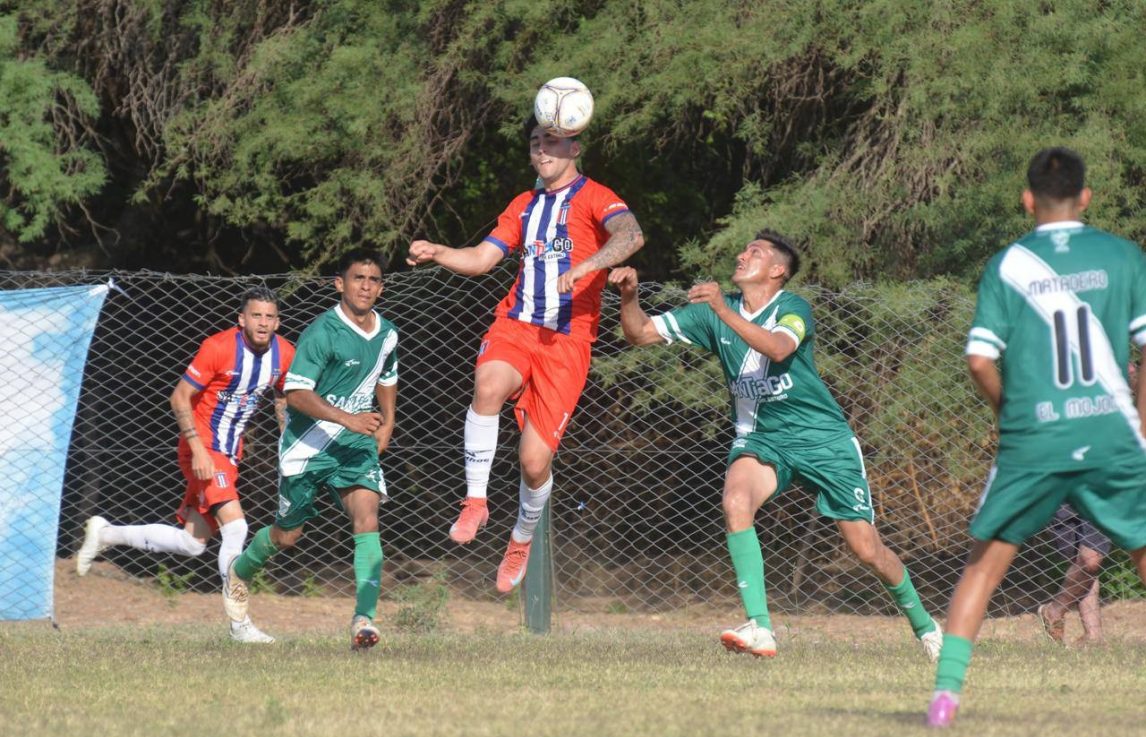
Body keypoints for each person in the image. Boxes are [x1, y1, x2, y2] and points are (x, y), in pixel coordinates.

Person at [608, 232, 943, 660]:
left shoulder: (793, 307)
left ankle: (927, 628)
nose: (742, 254)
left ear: (777, 270)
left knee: (866, 549)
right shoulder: (717, 310)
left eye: (755, 252)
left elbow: (779, 348)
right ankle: (761, 628)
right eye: (744, 249)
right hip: (762, 438)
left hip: (823, 440)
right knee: (735, 501)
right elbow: (639, 333)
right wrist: (630, 296)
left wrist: (721, 311)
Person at [927, 147, 1146, 727]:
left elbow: (978, 360)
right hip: (1110, 431)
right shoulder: (1125, 257)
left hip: (1035, 436)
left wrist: (1012, 414)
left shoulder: (1007, 263)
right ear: (1086, 197)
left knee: (983, 568)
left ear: (1027, 200)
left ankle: (945, 702)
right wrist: (1140, 424)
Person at [406, 114, 644, 593]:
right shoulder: (523, 205)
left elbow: (631, 236)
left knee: (534, 463)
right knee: (489, 384)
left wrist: (588, 266)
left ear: (574, 149)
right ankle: (475, 501)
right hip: (516, 324)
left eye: (552, 142)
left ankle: (521, 538)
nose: (542, 151)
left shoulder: (597, 197)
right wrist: (439, 251)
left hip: (568, 342)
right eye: (536, 142)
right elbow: (481, 258)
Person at [75, 286, 294, 644]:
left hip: (230, 453)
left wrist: (288, 441)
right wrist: (199, 450)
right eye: (256, 315)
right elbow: (179, 397)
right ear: (242, 319)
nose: (263, 323)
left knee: (193, 544)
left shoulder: (285, 354)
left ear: (277, 322)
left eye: (270, 317)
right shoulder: (218, 347)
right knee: (237, 528)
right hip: (202, 448)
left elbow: (283, 395)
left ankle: (106, 534)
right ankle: (240, 625)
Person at [222, 253, 397, 651]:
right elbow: (297, 393)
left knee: (367, 517)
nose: (366, 286)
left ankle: (363, 619)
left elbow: (387, 375)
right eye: (358, 278)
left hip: (354, 447)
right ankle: (239, 572)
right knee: (287, 536)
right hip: (308, 446)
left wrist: (387, 420)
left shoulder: (387, 333)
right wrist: (347, 419)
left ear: (381, 287)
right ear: (340, 284)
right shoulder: (322, 333)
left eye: (373, 279)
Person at [1037, 504, 1110, 645]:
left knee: (1091, 560)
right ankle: (1093, 636)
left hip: (1100, 490)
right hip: (1062, 491)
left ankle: (1054, 611)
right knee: (1079, 562)